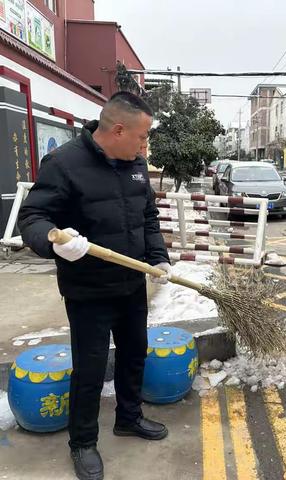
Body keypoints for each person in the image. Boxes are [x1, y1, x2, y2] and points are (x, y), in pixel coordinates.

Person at [18, 92, 172, 480]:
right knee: (89, 368)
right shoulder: (65, 163)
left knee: (135, 353)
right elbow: (33, 216)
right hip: (88, 290)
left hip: (131, 284)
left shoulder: (135, 165)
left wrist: (158, 257)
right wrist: (55, 238)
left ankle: (129, 417)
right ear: (118, 130)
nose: (145, 145)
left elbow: (148, 217)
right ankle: (83, 442)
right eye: (142, 136)